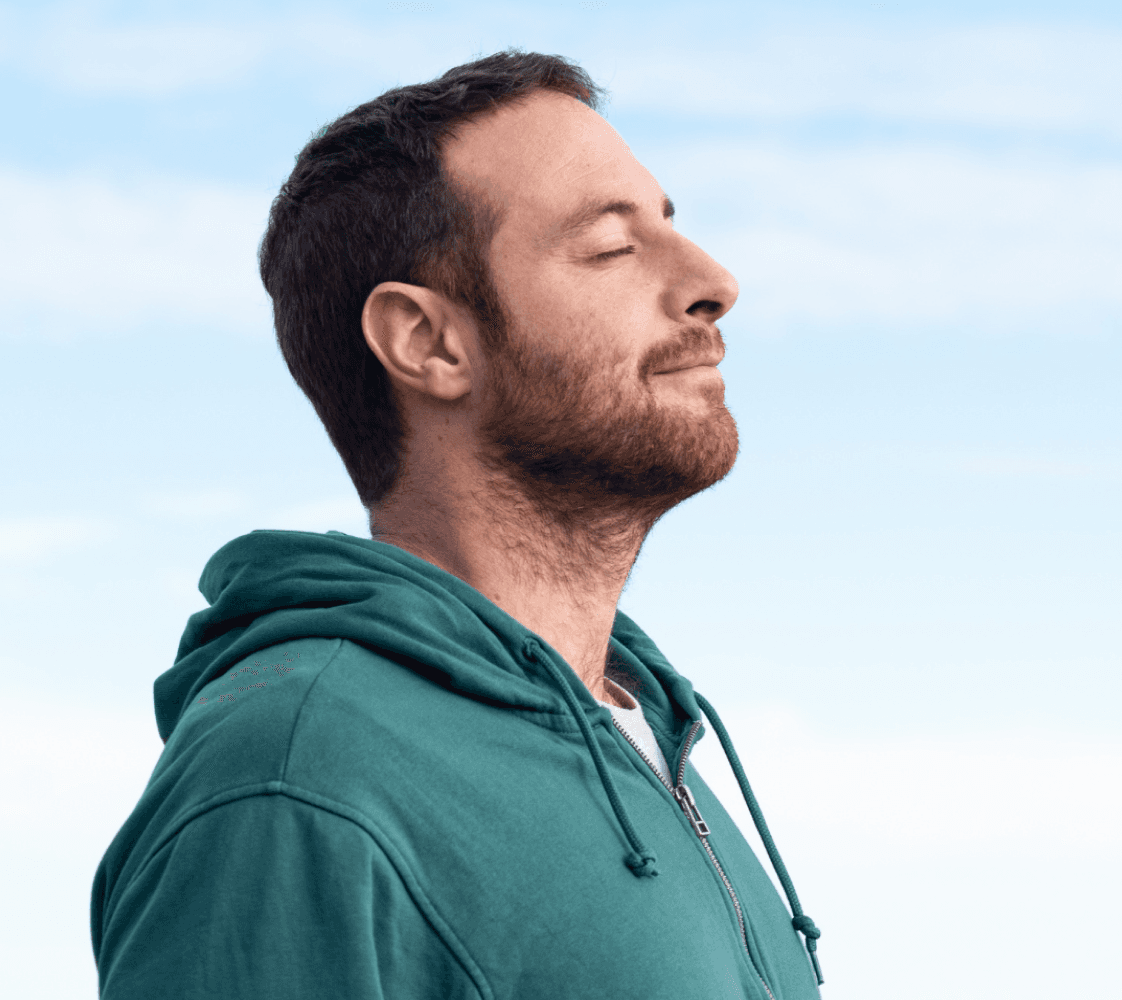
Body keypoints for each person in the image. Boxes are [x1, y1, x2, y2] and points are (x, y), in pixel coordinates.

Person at [89, 50, 823, 1000]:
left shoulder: (651, 746)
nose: (713, 281)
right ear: (428, 342)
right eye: (609, 248)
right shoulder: (297, 783)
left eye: (672, 228)